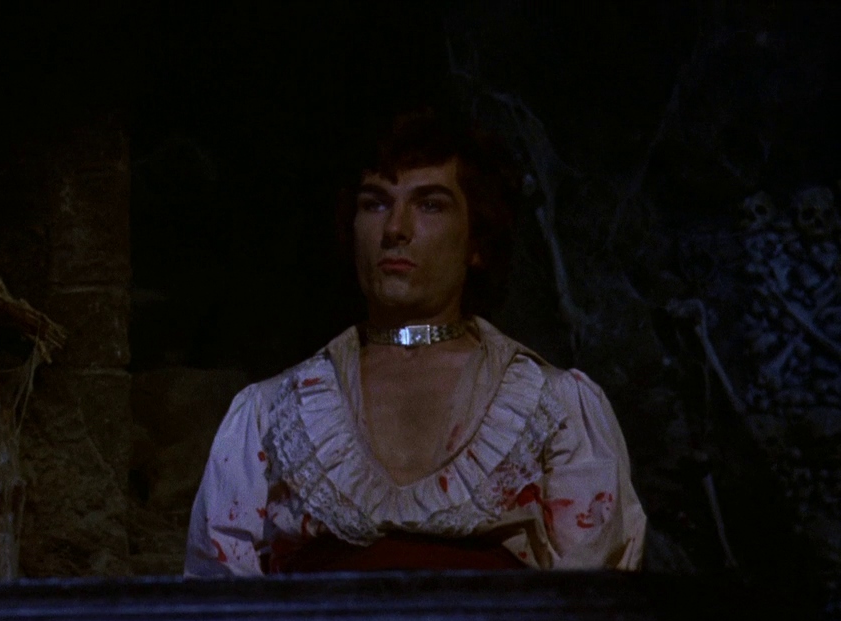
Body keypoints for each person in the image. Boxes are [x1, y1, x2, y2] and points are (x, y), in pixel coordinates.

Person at [184, 111, 646, 576]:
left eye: (430, 205)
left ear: (477, 240)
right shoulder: (272, 413)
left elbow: (592, 593)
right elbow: (222, 591)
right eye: (375, 204)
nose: (395, 229)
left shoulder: (552, 408)